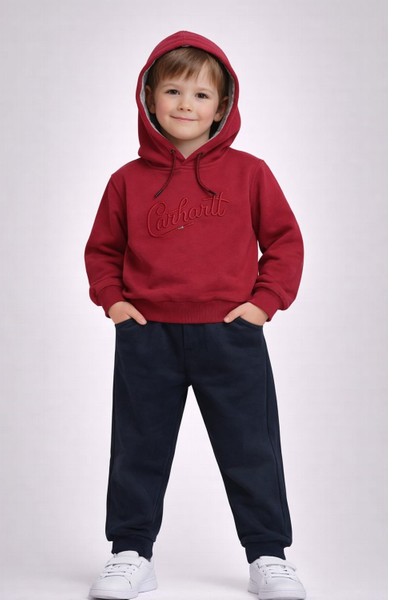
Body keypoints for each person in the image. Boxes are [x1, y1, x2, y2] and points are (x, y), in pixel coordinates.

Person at [85, 30, 306, 600]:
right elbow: (102, 250)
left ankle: (268, 556)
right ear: (149, 98)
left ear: (222, 105)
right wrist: (113, 302)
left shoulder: (250, 172)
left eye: (201, 95)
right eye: (173, 91)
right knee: (137, 447)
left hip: (230, 334)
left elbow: (284, 242)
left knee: (250, 447)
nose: (186, 104)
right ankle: (131, 553)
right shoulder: (126, 180)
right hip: (147, 335)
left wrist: (263, 304)